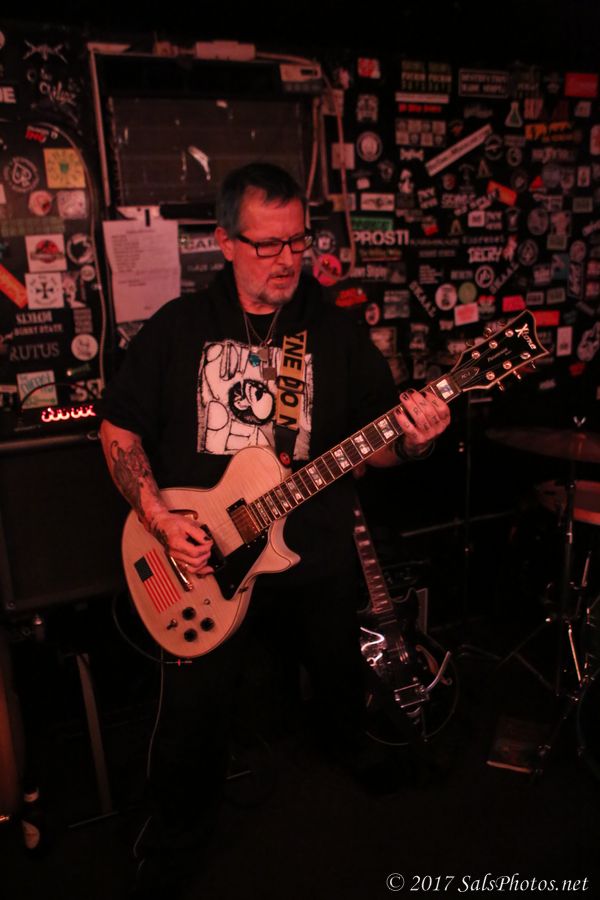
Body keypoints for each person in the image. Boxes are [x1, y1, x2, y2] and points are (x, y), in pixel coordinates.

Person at [99, 162, 450, 898]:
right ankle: (174, 844)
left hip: (311, 555)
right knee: (192, 721)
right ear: (225, 242)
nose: (288, 259)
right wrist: (160, 518)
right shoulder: (179, 328)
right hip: (199, 557)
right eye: (267, 244)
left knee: (339, 678)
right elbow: (118, 431)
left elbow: (374, 449)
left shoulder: (335, 331)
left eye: (298, 240)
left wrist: (415, 442)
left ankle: (354, 767)